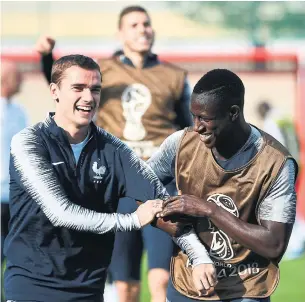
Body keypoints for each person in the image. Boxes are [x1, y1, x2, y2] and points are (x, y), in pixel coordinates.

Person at [35, 5, 192, 302]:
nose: (143, 29)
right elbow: (62, 86)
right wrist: (46, 57)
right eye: (134, 25)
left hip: (160, 187)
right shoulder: (103, 72)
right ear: (120, 34)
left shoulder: (174, 75)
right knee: (125, 286)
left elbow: (189, 131)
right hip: (117, 187)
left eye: (146, 23)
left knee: (161, 279)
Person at [147, 69, 298, 302]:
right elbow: (136, 190)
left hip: (247, 288)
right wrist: (195, 252)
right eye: (193, 116)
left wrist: (210, 209)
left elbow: (274, 244)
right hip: (190, 284)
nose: (196, 126)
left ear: (233, 113)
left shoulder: (275, 163)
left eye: (205, 118)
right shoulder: (180, 144)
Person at [0, 60, 28, 300]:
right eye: (18, 76)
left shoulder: (19, 112)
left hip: (15, 197)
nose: (23, 80)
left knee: (18, 254)